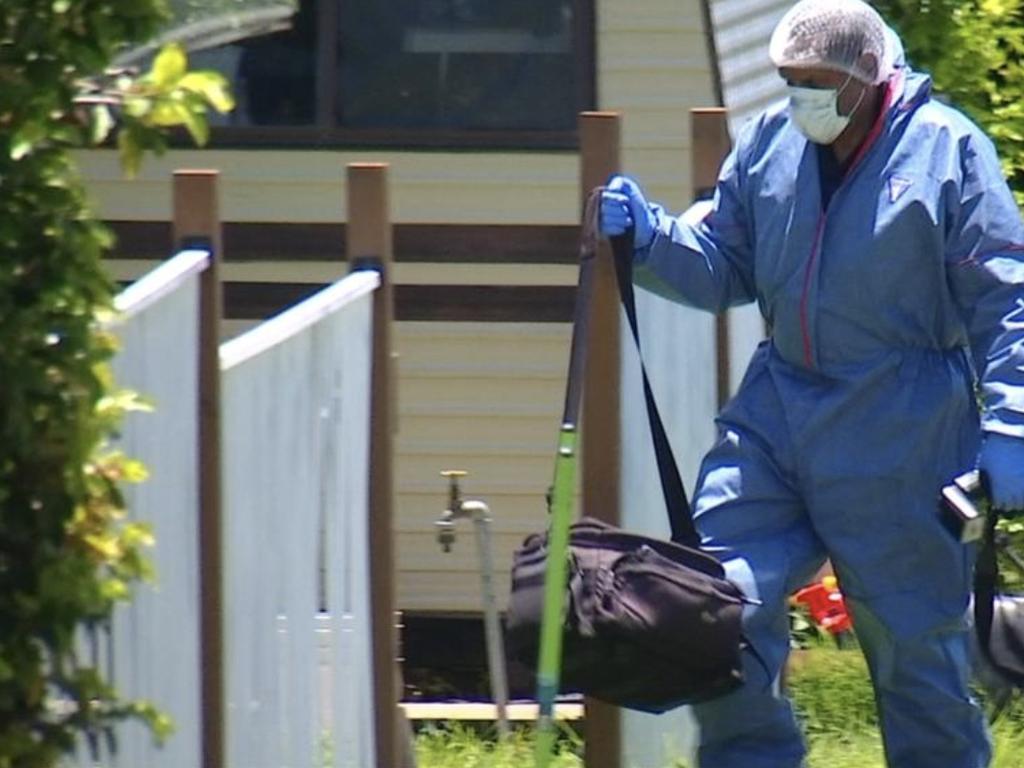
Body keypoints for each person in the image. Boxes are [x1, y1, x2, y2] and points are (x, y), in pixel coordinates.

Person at [599, 1, 1024, 766]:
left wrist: (1011, 423)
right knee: (717, 604)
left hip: (906, 430)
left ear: (867, 79)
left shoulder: (947, 152)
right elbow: (723, 261)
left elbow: (1006, 297)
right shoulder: (769, 144)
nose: (800, 98)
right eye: (790, 80)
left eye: (817, 82)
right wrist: (652, 238)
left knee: (914, 654)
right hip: (778, 415)